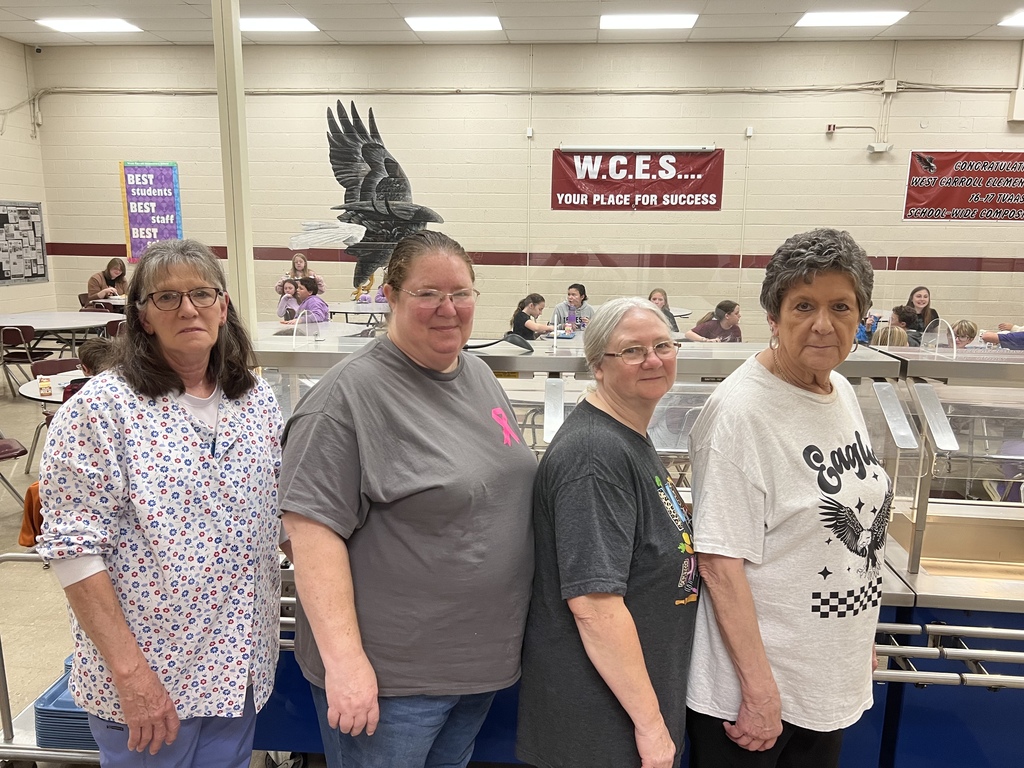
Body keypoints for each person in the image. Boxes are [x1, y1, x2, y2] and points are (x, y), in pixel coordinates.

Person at [279, 230, 537, 768]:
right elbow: (311, 539)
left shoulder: (479, 376)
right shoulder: (345, 400)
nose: (449, 309)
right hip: (392, 683)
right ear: (390, 296)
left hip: (476, 666)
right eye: (428, 294)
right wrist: (347, 665)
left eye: (461, 292)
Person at [36, 238, 284, 767]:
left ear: (223, 306)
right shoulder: (101, 409)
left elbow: (277, 516)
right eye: (166, 298)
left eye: (201, 293)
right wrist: (131, 674)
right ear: (142, 316)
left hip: (236, 670)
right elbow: (73, 550)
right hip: (150, 681)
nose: (188, 308)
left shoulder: (255, 400)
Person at [685, 228, 891, 768]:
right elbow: (720, 565)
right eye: (803, 306)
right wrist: (758, 693)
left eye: (840, 306)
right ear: (774, 319)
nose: (823, 324)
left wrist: (854, 635)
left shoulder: (838, 387)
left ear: (861, 315)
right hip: (758, 696)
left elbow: (843, 531)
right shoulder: (741, 414)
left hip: (825, 678)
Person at [517, 297, 698, 768]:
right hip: (599, 727)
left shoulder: (627, 436)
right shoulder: (594, 457)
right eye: (633, 351)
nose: (654, 359)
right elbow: (595, 608)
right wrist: (652, 726)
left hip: (629, 713)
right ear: (599, 365)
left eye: (663, 344)